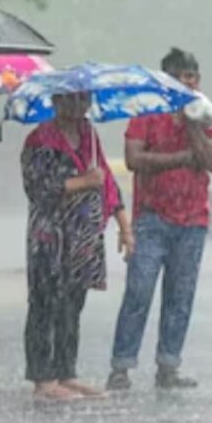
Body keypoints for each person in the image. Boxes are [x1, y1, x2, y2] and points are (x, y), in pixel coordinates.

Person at [107, 48, 212, 391]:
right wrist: (183, 158)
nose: (187, 83)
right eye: (180, 77)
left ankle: (168, 366)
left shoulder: (206, 115)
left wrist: (192, 127)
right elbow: (133, 158)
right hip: (152, 217)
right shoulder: (147, 111)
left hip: (193, 220)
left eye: (192, 77)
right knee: (138, 292)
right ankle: (121, 366)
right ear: (165, 81)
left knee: (180, 296)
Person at [21, 91, 131, 400]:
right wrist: (83, 181)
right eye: (71, 100)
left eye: (84, 100)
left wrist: (124, 225)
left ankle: (66, 372)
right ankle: (43, 378)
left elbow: (107, 181)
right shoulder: (40, 140)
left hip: (83, 238)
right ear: (56, 102)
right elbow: (38, 189)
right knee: (44, 304)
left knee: (72, 306)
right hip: (50, 239)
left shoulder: (89, 135)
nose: (78, 107)